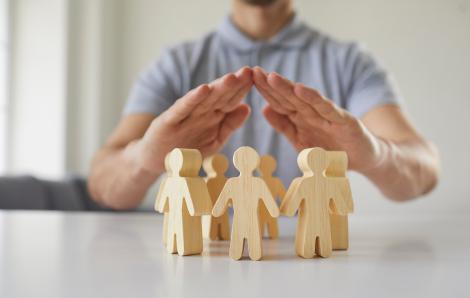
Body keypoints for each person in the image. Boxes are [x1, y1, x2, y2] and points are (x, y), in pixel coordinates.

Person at [88, 0, 440, 209]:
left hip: (312, 267)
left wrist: (375, 155)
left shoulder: (350, 62)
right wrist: (144, 160)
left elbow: (424, 171)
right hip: (199, 266)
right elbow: (102, 181)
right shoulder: (175, 64)